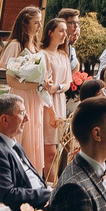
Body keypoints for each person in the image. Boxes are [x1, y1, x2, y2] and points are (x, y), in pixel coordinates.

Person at [0, 91, 56, 211]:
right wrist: (47, 194)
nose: (27, 118)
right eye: (22, 113)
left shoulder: (12, 144)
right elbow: (8, 195)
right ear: (4, 119)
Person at [0, 6, 48, 174]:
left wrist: (43, 82)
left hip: (35, 98)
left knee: (34, 139)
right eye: (36, 22)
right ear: (25, 24)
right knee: (21, 136)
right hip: (21, 97)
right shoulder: (15, 45)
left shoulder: (35, 46)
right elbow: (11, 80)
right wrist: (37, 85)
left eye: (40, 22)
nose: (39, 26)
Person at [38, 15, 78, 178]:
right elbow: (41, 84)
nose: (64, 34)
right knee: (49, 150)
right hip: (47, 103)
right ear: (50, 33)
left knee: (58, 149)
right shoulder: (42, 54)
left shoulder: (63, 55)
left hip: (60, 99)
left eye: (65, 32)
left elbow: (68, 82)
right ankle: (49, 185)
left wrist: (58, 87)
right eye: (60, 31)